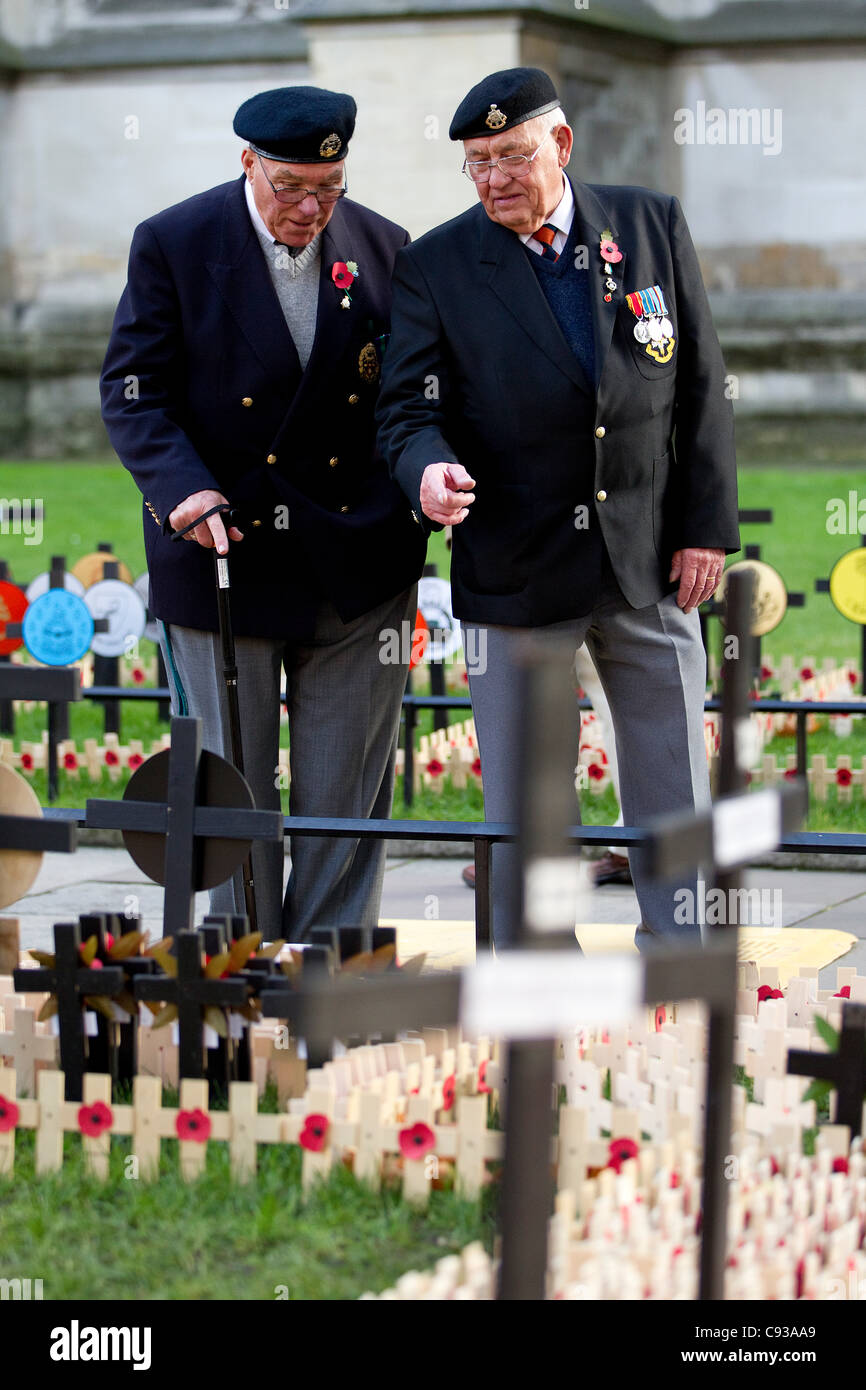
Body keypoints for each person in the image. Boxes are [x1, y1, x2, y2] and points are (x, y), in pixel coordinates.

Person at [377, 67, 739, 949]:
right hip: (516, 561)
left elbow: (699, 388)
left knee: (671, 769)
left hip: (647, 555)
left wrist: (703, 531)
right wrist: (427, 473)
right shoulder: (438, 264)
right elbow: (407, 410)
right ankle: (531, 958)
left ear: (562, 146)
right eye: (477, 163)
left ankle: (680, 948)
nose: (496, 177)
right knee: (526, 785)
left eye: (512, 155)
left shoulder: (650, 223)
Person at [101, 86, 425, 941]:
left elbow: (412, 397)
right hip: (222, 549)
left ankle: (329, 967)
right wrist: (182, 489)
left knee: (344, 794)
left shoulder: (387, 247)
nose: (311, 208)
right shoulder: (173, 242)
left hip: (355, 558)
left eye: (331, 187)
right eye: (291, 187)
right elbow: (135, 393)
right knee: (229, 790)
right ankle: (242, 966)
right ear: (247, 162)